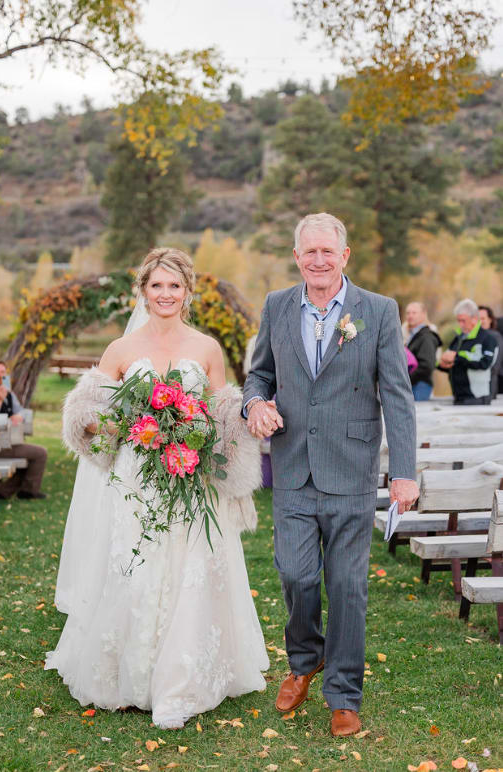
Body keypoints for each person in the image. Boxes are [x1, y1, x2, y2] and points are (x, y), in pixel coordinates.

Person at [45, 247, 269, 728]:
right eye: (157, 285)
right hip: (136, 479)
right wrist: (105, 425)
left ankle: (179, 681)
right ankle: (131, 674)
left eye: (174, 286)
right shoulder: (120, 349)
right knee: (136, 564)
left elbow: (221, 414)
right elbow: (89, 412)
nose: (165, 294)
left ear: (187, 292)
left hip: (190, 476)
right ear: (143, 291)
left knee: (189, 568)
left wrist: (214, 434)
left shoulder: (207, 348)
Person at [243, 213, 418, 737]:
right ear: (296, 257)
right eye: (309, 251)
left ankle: (343, 693)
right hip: (293, 468)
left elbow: (398, 395)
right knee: (296, 577)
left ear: (344, 256)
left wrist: (403, 473)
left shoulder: (378, 311)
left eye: (327, 251)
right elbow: (259, 374)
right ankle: (305, 659)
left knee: (346, 587)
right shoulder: (276, 305)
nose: (318, 260)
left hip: (352, 470)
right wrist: (254, 404)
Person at [0, 359, 47, 500]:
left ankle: (9, 491)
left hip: (7, 445)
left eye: (2, 372)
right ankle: (23, 491)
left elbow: (20, 411)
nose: (0, 376)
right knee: (39, 454)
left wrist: (18, 416)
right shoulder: (1, 395)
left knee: (37, 453)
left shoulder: (8, 393)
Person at [438, 299, 497, 405]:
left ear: (474, 319)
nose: (460, 324)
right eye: (458, 321)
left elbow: (485, 364)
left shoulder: (488, 338)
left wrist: (457, 357)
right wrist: (443, 364)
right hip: (459, 396)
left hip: (477, 398)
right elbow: (454, 362)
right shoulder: (458, 338)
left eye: (463, 321)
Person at [404, 302, 442, 401]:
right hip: (413, 384)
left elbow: (427, 366)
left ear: (423, 314)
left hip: (420, 386)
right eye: (408, 313)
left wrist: (406, 380)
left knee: (417, 411)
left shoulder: (426, 337)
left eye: (414, 313)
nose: (410, 316)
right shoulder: (412, 336)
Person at [478, 305, 503, 398]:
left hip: (491, 387)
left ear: (490, 320)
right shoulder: (471, 338)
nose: (480, 322)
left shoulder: (495, 337)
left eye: (483, 318)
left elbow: (495, 366)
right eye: (477, 319)